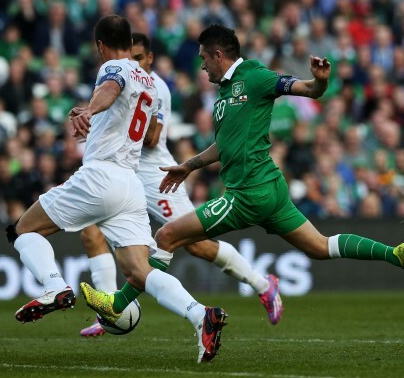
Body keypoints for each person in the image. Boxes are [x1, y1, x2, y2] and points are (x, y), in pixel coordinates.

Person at [82, 24, 404, 323]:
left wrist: (320, 82)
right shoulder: (224, 95)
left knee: (168, 235)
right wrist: (188, 166)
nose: (202, 66)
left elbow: (305, 89)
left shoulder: (254, 76)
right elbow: (223, 146)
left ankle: (118, 304)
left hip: (247, 194)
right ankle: (397, 254)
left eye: (204, 58)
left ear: (218, 55)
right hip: (271, 189)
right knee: (320, 246)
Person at [7, 16, 226, 364]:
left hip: (101, 176)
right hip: (130, 185)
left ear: (99, 45)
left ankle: (55, 286)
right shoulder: (149, 82)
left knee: (22, 230)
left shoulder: (113, 67)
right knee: (140, 272)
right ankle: (201, 315)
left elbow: (109, 91)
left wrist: (87, 110)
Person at [78, 33, 282, 338]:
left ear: (149, 59)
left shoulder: (156, 87)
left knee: (196, 244)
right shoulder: (115, 80)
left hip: (153, 175)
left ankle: (263, 285)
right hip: (121, 172)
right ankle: (107, 311)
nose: (129, 62)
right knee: (89, 228)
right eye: (126, 57)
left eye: (136, 58)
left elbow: (151, 139)